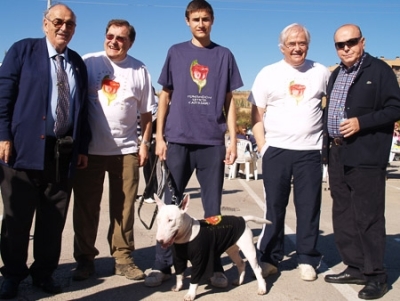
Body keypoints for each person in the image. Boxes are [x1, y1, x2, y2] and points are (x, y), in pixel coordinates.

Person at [144, 0, 242, 288]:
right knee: (168, 208)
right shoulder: (176, 52)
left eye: (206, 19)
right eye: (196, 19)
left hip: (212, 142)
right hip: (178, 140)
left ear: (212, 21)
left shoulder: (224, 55)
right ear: (187, 21)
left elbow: (229, 100)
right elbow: (164, 96)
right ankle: (162, 265)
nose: (201, 23)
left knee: (212, 211)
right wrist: (159, 137)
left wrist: (233, 139)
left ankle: (212, 268)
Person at [0, 3, 90, 298]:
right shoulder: (23, 51)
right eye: (58, 21)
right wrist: (3, 135)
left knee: (53, 220)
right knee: (17, 217)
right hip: (23, 149)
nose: (64, 28)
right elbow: (4, 93)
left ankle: (44, 273)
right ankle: (12, 274)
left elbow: (82, 109)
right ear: (45, 23)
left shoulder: (77, 62)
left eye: (70, 24)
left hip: (60, 152)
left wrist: (81, 146)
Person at [71, 19, 154, 282]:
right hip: (90, 151)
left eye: (121, 38)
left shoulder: (139, 69)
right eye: (110, 35)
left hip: (127, 151)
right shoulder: (88, 62)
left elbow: (146, 114)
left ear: (130, 42)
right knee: (86, 208)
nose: (114, 41)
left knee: (124, 208)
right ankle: (84, 260)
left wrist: (145, 144)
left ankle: (123, 257)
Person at [322, 24, 400, 300]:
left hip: (366, 156)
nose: (345, 48)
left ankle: (376, 275)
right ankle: (354, 266)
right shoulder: (335, 74)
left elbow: (395, 107)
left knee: (368, 217)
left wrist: (361, 123)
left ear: (362, 42)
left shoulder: (379, 71)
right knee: (343, 214)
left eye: (351, 42)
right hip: (338, 153)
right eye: (339, 45)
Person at [249, 23, 330, 281]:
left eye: (302, 43)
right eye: (292, 43)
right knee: (274, 207)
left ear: (308, 45)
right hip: (277, 150)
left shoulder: (321, 72)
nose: (297, 48)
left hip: (310, 150)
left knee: (309, 206)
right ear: (282, 47)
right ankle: (270, 258)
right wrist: (263, 148)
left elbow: (331, 105)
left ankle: (307, 258)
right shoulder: (268, 73)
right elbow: (256, 113)